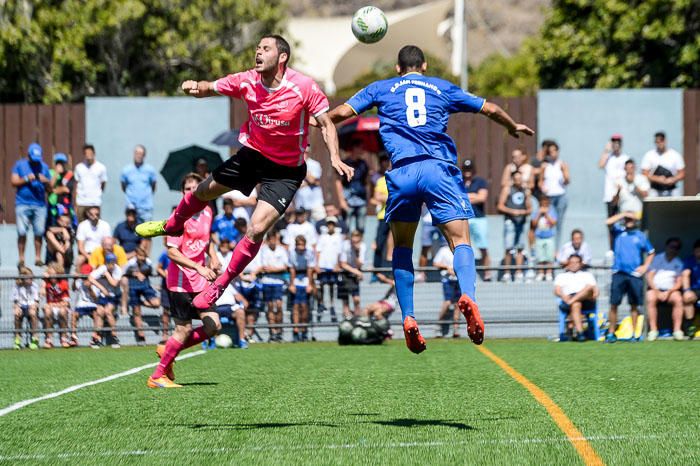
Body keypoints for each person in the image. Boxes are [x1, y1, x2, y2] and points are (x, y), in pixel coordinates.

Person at [319, 45, 534, 352]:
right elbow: (490, 109)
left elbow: (335, 116)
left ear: (397, 67)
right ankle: (469, 296)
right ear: (424, 65)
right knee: (461, 242)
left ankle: (408, 317)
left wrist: (312, 123)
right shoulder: (441, 87)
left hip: (402, 173)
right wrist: (512, 126)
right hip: (438, 171)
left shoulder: (381, 88)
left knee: (403, 247)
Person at [135, 34, 353, 315]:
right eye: (257, 48)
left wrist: (334, 156)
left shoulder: (303, 86)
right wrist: (197, 87)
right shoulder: (248, 80)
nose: (258, 52)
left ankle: (220, 284)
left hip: (285, 171)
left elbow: (325, 124)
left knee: (257, 228)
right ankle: (173, 224)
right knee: (201, 192)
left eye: (265, 48)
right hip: (252, 157)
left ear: (282, 57)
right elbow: (212, 86)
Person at [148, 173, 221, 388]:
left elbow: (207, 241)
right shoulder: (179, 216)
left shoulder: (208, 210)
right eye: (187, 189)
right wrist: (199, 267)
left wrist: (214, 258)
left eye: (194, 188)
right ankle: (157, 376)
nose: (191, 192)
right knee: (184, 330)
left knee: (213, 325)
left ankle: (168, 350)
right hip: (180, 282)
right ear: (182, 193)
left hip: (200, 282)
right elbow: (172, 252)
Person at [605, 212, 655, 343]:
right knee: (614, 304)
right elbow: (608, 222)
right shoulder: (618, 232)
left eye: (631, 219)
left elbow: (651, 252)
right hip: (619, 273)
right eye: (627, 219)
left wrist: (645, 267)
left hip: (634, 275)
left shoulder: (640, 236)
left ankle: (635, 334)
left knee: (634, 305)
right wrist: (624, 214)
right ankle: (611, 333)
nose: (628, 221)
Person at [11, 142, 51, 266]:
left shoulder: (44, 167)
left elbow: (50, 189)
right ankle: (21, 258)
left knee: (39, 232)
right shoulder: (19, 165)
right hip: (22, 203)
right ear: (28, 155)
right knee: (22, 232)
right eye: (33, 159)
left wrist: (46, 182)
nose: (35, 162)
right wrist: (27, 178)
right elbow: (13, 182)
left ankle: (37, 258)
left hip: (39, 205)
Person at [646, 238, 685, 341]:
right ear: (666, 246)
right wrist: (657, 291)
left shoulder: (679, 262)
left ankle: (677, 331)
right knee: (650, 298)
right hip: (655, 289)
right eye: (671, 247)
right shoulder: (657, 259)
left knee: (678, 299)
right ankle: (653, 331)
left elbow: (679, 282)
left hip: (671, 291)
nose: (673, 249)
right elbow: (649, 276)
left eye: (676, 248)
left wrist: (669, 292)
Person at [553, 254, 599, 341]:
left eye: (576, 262)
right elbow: (557, 290)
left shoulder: (587, 275)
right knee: (576, 304)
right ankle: (580, 333)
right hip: (569, 299)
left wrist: (571, 300)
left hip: (586, 300)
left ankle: (571, 304)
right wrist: (564, 297)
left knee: (588, 288)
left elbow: (595, 291)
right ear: (568, 263)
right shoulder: (561, 276)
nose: (574, 264)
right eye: (571, 262)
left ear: (581, 264)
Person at [497, 171, 532, 282]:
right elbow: (500, 206)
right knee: (508, 247)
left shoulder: (525, 191)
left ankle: (519, 272)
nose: (519, 181)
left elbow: (529, 208)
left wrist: (523, 211)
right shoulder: (507, 190)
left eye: (520, 179)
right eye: (517, 179)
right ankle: (507, 273)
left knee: (520, 248)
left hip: (521, 223)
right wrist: (513, 212)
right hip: (510, 222)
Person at [214, 239, 249, 349]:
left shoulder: (229, 285)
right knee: (209, 314)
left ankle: (242, 340)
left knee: (240, 312)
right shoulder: (211, 286)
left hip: (230, 308)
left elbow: (244, 301)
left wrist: (243, 305)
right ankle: (211, 341)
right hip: (216, 308)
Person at [462, 159, 492, 281]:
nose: (467, 172)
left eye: (469, 169)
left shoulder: (480, 181)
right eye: (465, 169)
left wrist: (465, 197)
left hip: (479, 218)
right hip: (464, 218)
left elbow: (482, 197)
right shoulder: (458, 181)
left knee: (482, 245)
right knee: (463, 246)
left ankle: (487, 272)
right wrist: (474, 196)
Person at [124, 247, 161, 345]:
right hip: (134, 287)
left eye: (143, 256)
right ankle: (141, 336)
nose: (142, 258)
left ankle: (139, 303)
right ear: (136, 255)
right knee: (137, 312)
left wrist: (142, 273)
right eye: (140, 256)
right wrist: (135, 273)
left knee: (156, 303)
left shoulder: (147, 261)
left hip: (145, 286)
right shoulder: (130, 263)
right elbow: (124, 272)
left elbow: (149, 269)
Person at [258, 230, 289, 342]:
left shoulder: (282, 250)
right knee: (270, 307)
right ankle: (273, 332)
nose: (272, 241)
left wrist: (274, 269)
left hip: (278, 282)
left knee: (279, 306)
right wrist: (277, 268)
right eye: (270, 239)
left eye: (274, 239)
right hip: (267, 281)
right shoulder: (264, 250)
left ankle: (279, 331)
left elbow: (285, 266)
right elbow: (265, 267)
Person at [88, 253, 123, 348]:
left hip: (114, 295)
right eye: (109, 263)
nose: (111, 265)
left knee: (108, 311)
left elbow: (114, 283)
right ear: (106, 263)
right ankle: (96, 338)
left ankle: (114, 336)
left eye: (113, 263)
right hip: (103, 295)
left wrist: (107, 274)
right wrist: (101, 288)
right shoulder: (102, 268)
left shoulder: (118, 270)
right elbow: (90, 278)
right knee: (99, 312)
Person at [335, 139, 370, 233]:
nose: (362, 150)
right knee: (346, 227)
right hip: (348, 199)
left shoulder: (363, 164)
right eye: (360, 148)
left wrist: (367, 198)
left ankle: (359, 247)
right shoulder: (345, 163)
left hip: (361, 199)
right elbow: (338, 182)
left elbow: (366, 182)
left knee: (361, 228)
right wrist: (341, 201)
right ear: (354, 148)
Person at [539, 141, 569, 247]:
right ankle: (548, 246)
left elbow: (567, 181)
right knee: (548, 222)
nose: (552, 154)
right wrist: (543, 188)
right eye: (550, 152)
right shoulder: (544, 166)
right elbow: (540, 181)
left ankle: (557, 248)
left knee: (558, 222)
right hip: (549, 197)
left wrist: (563, 172)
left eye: (554, 151)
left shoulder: (562, 164)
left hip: (560, 196)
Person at [315, 216, 344, 322]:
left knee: (332, 286)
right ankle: (321, 304)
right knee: (321, 286)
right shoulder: (323, 237)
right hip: (323, 265)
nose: (330, 226)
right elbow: (318, 251)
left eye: (332, 224)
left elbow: (339, 252)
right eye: (329, 224)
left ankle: (331, 305)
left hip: (332, 266)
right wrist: (317, 265)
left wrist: (337, 265)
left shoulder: (338, 237)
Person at [288, 235, 316, 342]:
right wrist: (292, 284)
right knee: (295, 307)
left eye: (302, 245)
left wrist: (309, 284)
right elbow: (292, 269)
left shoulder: (309, 253)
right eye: (299, 245)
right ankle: (295, 331)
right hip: (296, 280)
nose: (300, 247)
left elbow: (310, 269)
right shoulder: (292, 253)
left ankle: (304, 331)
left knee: (304, 307)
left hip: (305, 280)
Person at [120, 144, 157, 222]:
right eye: (137, 153)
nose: (138, 156)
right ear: (134, 154)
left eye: (141, 154)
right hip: (131, 208)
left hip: (146, 208)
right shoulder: (126, 170)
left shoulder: (150, 170)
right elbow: (124, 187)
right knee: (132, 233)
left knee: (147, 232)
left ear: (144, 155)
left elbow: (153, 186)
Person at [71, 263, 104, 348]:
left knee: (97, 314)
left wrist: (90, 288)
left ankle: (95, 337)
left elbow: (95, 298)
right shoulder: (79, 281)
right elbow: (74, 289)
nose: (84, 277)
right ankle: (73, 337)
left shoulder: (95, 282)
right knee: (74, 315)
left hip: (92, 304)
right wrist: (74, 280)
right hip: (81, 304)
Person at [641, 131, 685, 197]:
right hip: (655, 190)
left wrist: (672, 179)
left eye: (661, 141)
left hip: (671, 190)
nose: (659, 143)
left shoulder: (675, 155)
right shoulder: (649, 155)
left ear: (665, 141)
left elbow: (682, 173)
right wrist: (657, 179)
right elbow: (644, 173)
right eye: (657, 142)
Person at [432, 244, 461, 338]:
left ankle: (456, 329)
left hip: (458, 279)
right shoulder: (443, 250)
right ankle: (438, 326)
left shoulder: (460, 250)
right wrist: (447, 268)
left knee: (458, 304)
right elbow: (435, 263)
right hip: (447, 280)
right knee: (447, 303)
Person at [599, 134, 630, 220]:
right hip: (610, 195)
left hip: (623, 195)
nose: (616, 144)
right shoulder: (608, 158)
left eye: (618, 142)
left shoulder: (626, 158)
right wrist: (606, 150)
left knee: (623, 220)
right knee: (611, 222)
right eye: (614, 142)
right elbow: (600, 165)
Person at [74, 144, 107, 222]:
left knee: (95, 225)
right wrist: (75, 203)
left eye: (90, 153)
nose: (88, 155)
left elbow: (103, 183)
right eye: (86, 153)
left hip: (94, 202)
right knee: (81, 225)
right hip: (81, 202)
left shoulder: (101, 167)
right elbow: (76, 185)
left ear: (94, 153)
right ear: (84, 155)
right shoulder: (79, 167)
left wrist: (97, 194)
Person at [41, 262, 71, 348]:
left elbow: (66, 303)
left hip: (61, 307)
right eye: (50, 274)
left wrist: (53, 305)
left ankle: (64, 338)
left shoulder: (63, 283)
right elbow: (42, 293)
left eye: (53, 274)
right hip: (52, 307)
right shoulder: (46, 283)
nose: (51, 276)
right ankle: (49, 339)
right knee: (47, 311)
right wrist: (43, 281)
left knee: (62, 311)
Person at [371, 155, 392, 271]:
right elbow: (377, 197)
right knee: (379, 243)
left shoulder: (399, 180)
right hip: (383, 216)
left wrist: (386, 197)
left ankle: (391, 270)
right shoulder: (381, 181)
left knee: (395, 245)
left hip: (397, 217)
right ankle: (376, 270)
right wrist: (392, 197)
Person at [338, 230, 366, 318]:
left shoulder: (362, 246)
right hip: (345, 272)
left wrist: (356, 253)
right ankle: (347, 318)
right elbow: (343, 264)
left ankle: (357, 318)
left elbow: (360, 264)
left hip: (354, 273)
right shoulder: (345, 245)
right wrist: (357, 272)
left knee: (356, 299)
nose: (355, 243)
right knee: (345, 301)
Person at [12, 267, 40, 350]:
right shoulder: (17, 286)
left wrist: (34, 306)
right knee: (16, 314)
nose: (31, 279)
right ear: (23, 278)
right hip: (22, 306)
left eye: (32, 277)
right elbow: (15, 301)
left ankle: (35, 339)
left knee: (33, 313)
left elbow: (36, 301)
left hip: (31, 306)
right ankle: (17, 339)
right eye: (29, 278)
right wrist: (17, 307)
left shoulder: (34, 285)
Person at [530, 196, 557, 281]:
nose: (544, 205)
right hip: (539, 237)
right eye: (542, 203)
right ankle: (541, 273)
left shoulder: (552, 211)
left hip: (549, 237)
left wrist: (546, 214)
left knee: (549, 256)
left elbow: (553, 222)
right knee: (540, 256)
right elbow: (533, 224)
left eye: (546, 203)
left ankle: (549, 273)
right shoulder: (536, 211)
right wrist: (539, 214)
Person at [295, 145, 325, 222]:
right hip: (301, 202)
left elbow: (312, 180)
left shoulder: (314, 164)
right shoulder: (295, 164)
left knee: (319, 224)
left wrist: (302, 166)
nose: (304, 154)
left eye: (306, 152)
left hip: (315, 202)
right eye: (302, 153)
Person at [47, 152, 76, 229]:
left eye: (62, 163)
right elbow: (49, 187)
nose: (60, 165)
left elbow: (66, 189)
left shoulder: (69, 174)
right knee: (52, 229)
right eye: (58, 163)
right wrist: (56, 173)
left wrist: (54, 190)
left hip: (65, 208)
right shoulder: (50, 173)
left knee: (67, 230)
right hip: (53, 208)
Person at [681, 239, 700, 339]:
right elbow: (685, 275)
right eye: (698, 251)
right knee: (687, 298)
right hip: (695, 290)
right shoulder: (689, 261)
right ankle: (690, 326)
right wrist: (686, 290)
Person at [156, 247, 172, 343]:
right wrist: (166, 276)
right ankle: (165, 333)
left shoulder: (182, 253)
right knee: (166, 310)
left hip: (178, 286)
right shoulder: (165, 253)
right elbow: (158, 268)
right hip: (166, 286)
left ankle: (177, 332)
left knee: (179, 310)